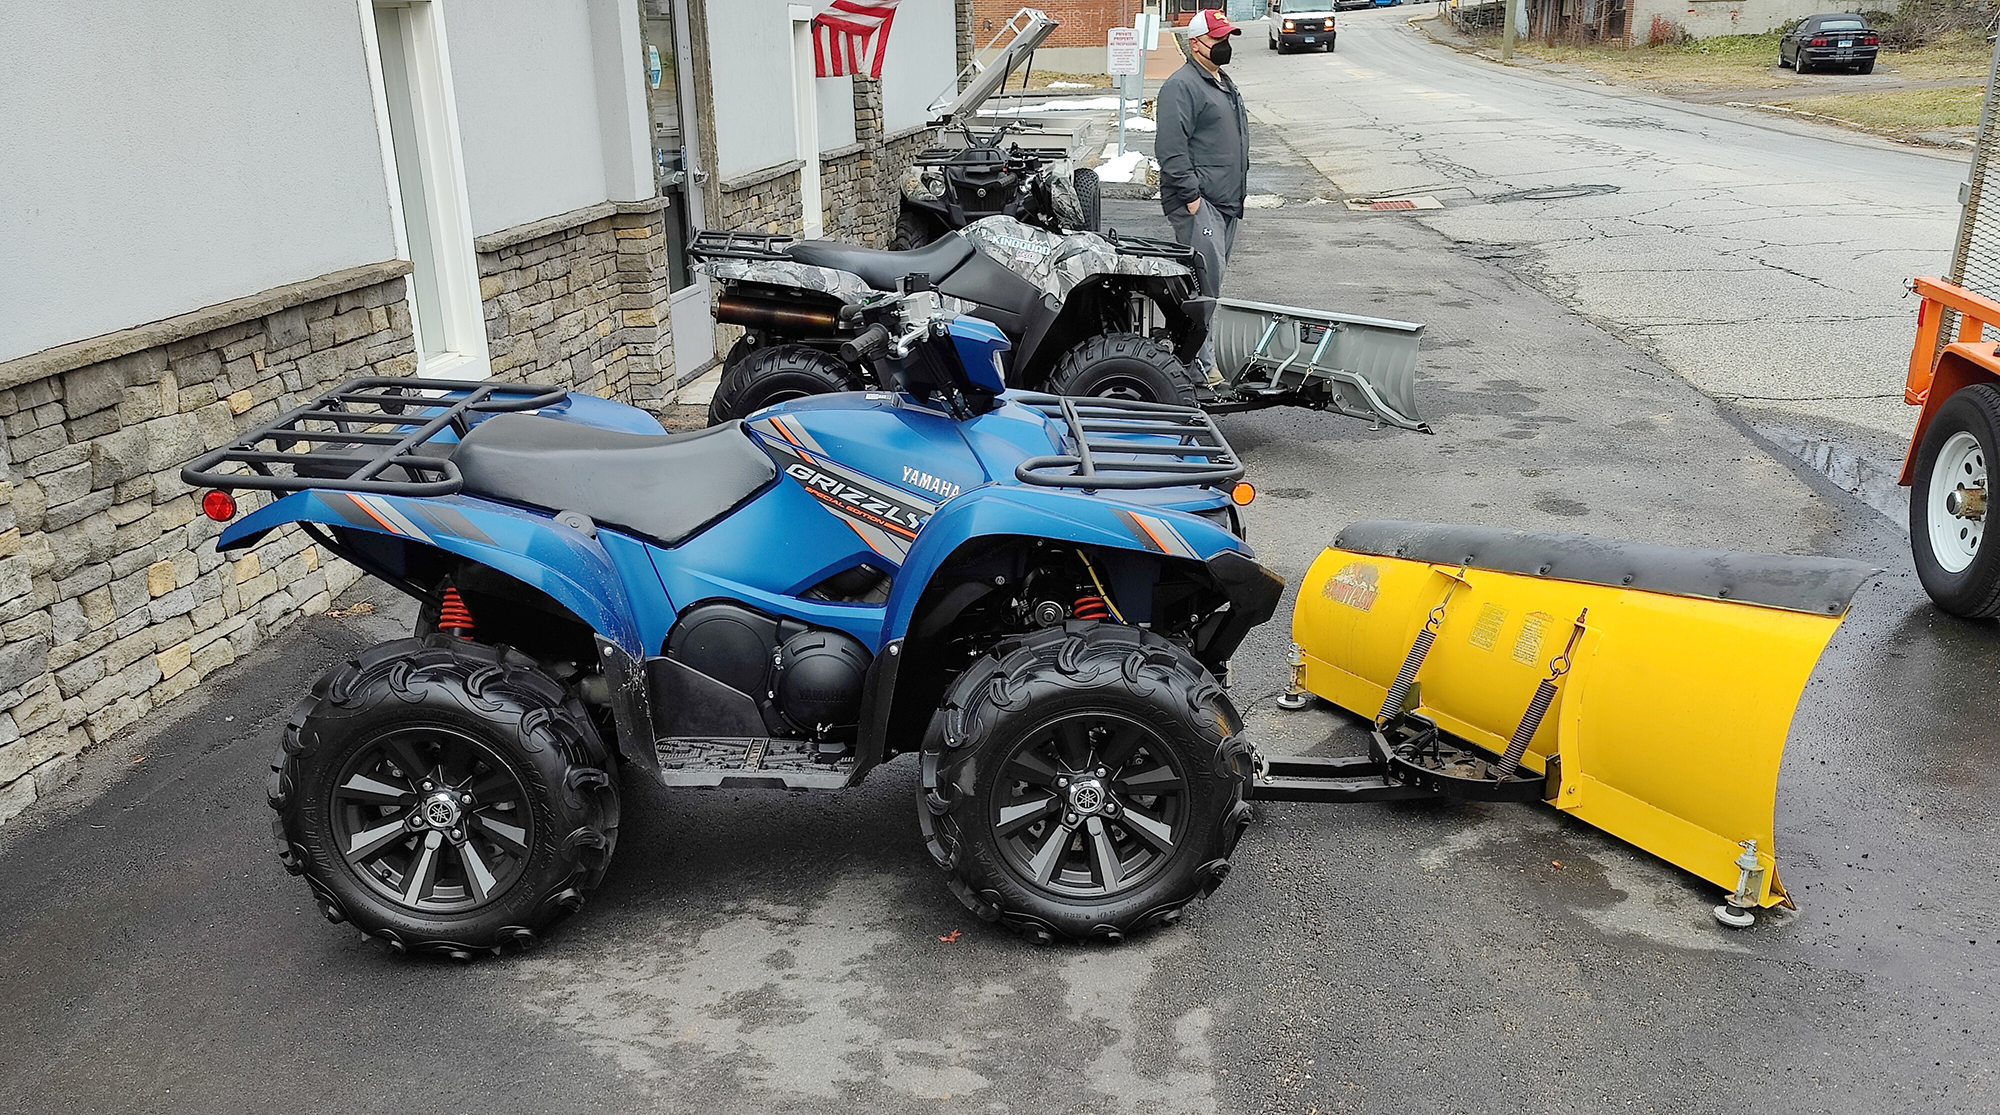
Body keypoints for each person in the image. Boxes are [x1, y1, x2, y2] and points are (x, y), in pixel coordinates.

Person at [1154, 8, 1248, 382]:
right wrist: (1192, 197)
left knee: (1212, 286)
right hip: (1201, 203)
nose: (1225, 45)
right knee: (1202, 288)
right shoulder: (1182, 86)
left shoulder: (1220, 80)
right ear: (1196, 44)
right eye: (1218, 39)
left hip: (1225, 202)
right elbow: (1171, 147)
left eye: (1227, 38)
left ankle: (1195, 361)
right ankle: (1200, 368)